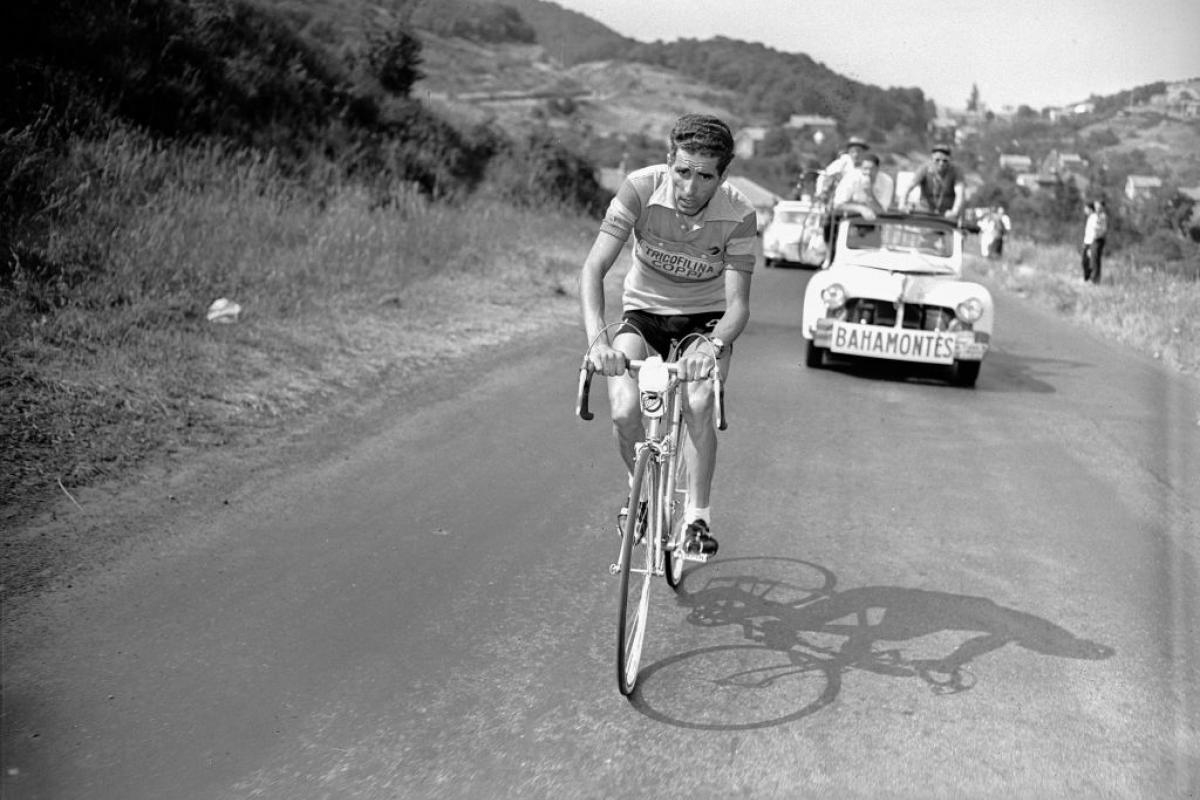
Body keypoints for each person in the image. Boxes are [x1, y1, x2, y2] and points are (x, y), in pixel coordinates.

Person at [579, 113, 756, 557]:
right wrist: (597, 343)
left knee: (698, 402)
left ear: (722, 174)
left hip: (706, 320)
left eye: (704, 176)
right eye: (682, 172)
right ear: (668, 161)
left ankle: (697, 517)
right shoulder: (639, 188)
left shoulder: (739, 214)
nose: (691, 188)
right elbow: (594, 269)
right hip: (644, 312)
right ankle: (640, 493)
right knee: (623, 409)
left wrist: (713, 349)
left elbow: (737, 307)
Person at [902, 144, 965, 222]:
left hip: (947, 214)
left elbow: (960, 194)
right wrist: (902, 205)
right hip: (926, 212)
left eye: (945, 161)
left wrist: (955, 211)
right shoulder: (924, 169)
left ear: (950, 160)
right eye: (937, 160)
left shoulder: (956, 171)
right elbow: (909, 188)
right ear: (931, 159)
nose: (941, 163)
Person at [832, 152, 894, 219]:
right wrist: (861, 209)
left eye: (872, 169)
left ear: (878, 168)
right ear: (860, 168)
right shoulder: (851, 177)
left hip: (875, 221)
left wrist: (869, 194)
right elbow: (837, 205)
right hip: (849, 218)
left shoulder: (887, 181)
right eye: (865, 169)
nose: (868, 172)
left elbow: (882, 211)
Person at [815, 136, 870, 203]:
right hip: (840, 199)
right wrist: (823, 192)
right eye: (853, 151)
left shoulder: (868, 165)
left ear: (864, 152)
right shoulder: (842, 162)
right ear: (849, 152)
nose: (856, 154)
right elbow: (826, 175)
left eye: (859, 151)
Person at [1081, 200, 1108, 283]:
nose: (1097, 208)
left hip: (1096, 240)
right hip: (1091, 241)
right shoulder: (1094, 216)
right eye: (1096, 206)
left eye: (1098, 206)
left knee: (1094, 261)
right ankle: (1089, 278)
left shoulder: (1100, 216)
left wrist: (1090, 244)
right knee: (1089, 261)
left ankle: (1094, 280)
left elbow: (1098, 231)